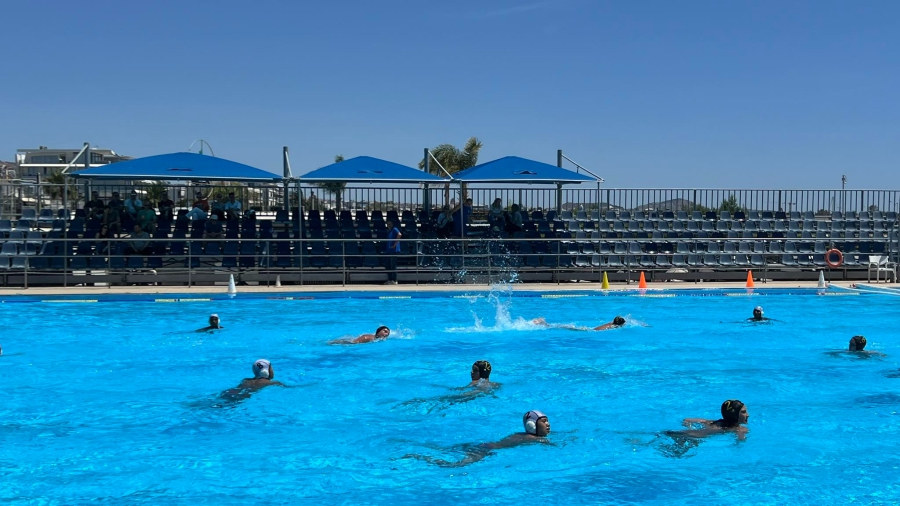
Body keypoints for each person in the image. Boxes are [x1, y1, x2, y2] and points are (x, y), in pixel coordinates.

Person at [405, 410, 552, 467]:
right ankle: (418, 457)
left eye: (547, 421)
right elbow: (551, 444)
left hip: (483, 446)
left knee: (444, 450)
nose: (548, 424)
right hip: (484, 449)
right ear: (532, 425)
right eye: (544, 421)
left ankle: (417, 453)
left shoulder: (523, 435)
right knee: (454, 465)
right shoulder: (533, 438)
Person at [674, 400, 750, 441]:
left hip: (688, 434)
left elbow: (686, 420)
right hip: (695, 437)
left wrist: (690, 427)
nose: (748, 415)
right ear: (734, 414)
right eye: (743, 412)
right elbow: (740, 443)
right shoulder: (740, 429)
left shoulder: (713, 422)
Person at [220, 359, 284, 403]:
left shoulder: (245, 380)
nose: (273, 371)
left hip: (228, 392)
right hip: (240, 397)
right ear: (265, 371)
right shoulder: (272, 383)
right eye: (271, 368)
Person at [531, 315, 626, 331]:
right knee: (567, 328)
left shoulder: (611, 323)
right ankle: (543, 323)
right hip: (590, 330)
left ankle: (544, 323)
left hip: (590, 329)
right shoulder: (613, 326)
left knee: (565, 327)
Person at [384, 219, 402, 285]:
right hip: (389, 250)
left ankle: (394, 280)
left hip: (393, 250)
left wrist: (395, 244)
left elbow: (399, 234)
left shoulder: (394, 229)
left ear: (392, 224)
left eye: (390, 224)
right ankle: (390, 279)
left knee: (393, 265)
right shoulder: (389, 231)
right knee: (388, 264)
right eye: (388, 224)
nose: (389, 225)